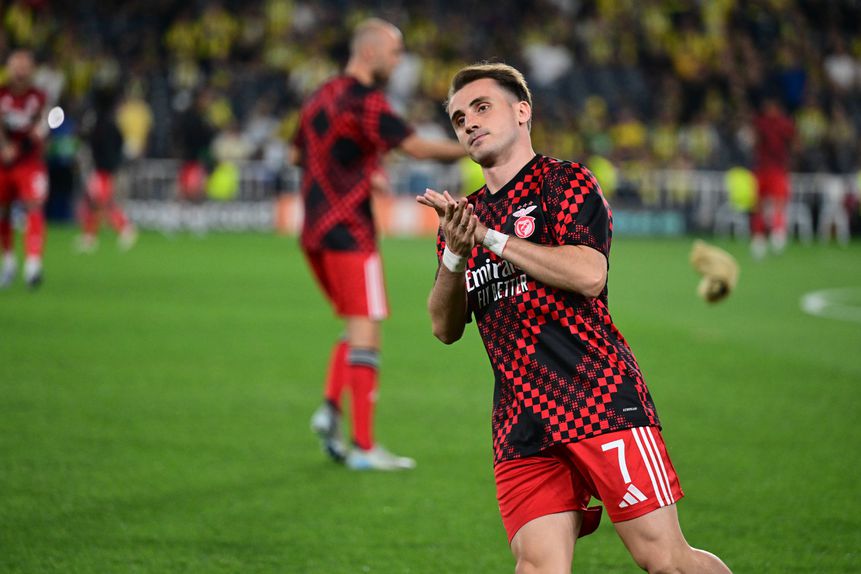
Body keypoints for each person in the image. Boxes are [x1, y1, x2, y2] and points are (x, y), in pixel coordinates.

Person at [418, 63, 732, 573]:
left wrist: (491, 240)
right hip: (521, 420)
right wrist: (455, 253)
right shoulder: (464, 219)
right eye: (458, 118)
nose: (469, 123)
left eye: (481, 107)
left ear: (523, 112)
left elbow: (588, 274)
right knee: (539, 566)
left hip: (598, 399)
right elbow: (444, 327)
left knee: (666, 560)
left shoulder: (565, 182)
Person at [290, 18, 466, 471]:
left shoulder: (320, 95)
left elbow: (299, 153)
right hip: (350, 232)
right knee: (367, 329)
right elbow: (416, 147)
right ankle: (364, 448)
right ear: (369, 52)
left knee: (354, 325)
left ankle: (329, 410)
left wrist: (362, 169)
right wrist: (478, 145)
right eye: (394, 51)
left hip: (313, 231)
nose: (398, 60)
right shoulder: (365, 101)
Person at [0, 49, 49, 289]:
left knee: (34, 206)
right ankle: (8, 261)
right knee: (3, 211)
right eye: (16, 65)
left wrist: (37, 136)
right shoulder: (2, 95)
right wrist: (4, 147)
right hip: (3, 163)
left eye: (25, 66)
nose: (20, 70)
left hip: (30, 162)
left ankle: (33, 264)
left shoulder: (39, 97)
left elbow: (45, 124)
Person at [76, 89, 137, 253]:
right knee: (98, 202)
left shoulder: (98, 123)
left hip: (102, 169)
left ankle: (124, 228)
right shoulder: (111, 123)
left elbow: (89, 140)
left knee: (99, 203)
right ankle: (92, 236)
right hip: (105, 168)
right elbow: (120, 142)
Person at [750, 96, 795, 259]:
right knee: (759, 205)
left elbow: (792, 142)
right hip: (762, 169)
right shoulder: (761, 123)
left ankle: (778, 233)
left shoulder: (782, 124)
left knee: (778, 202)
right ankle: (759, 238)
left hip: (777, 169)